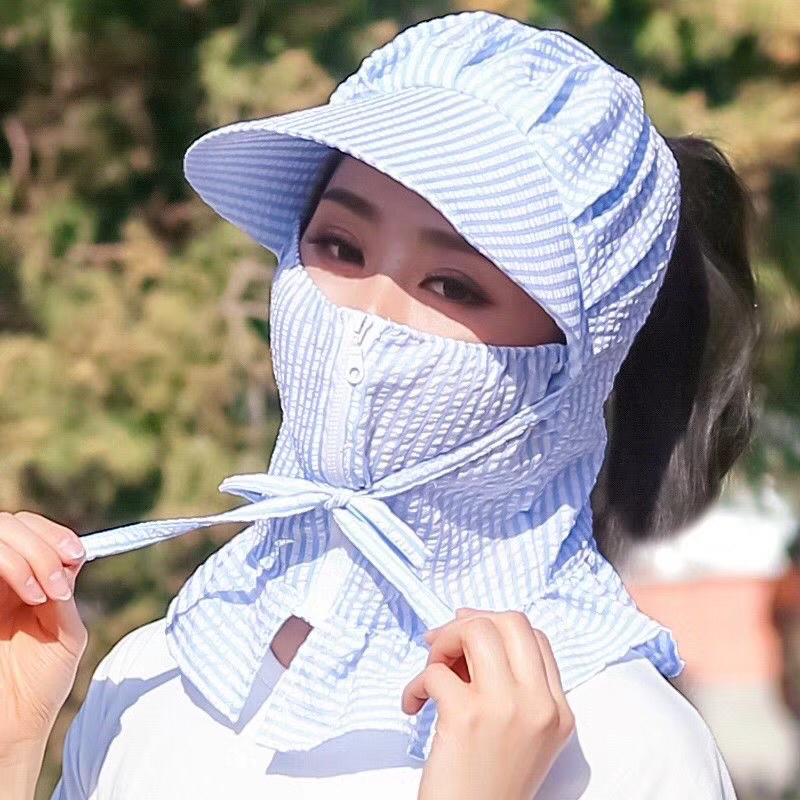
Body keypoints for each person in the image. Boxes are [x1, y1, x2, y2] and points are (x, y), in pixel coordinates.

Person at [0, 10, 759, 799]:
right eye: (339, 246)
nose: (366, 316)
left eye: (453, 284)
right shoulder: (155, 675)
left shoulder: (625, 747)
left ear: (570, 367)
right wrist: (12, 743)